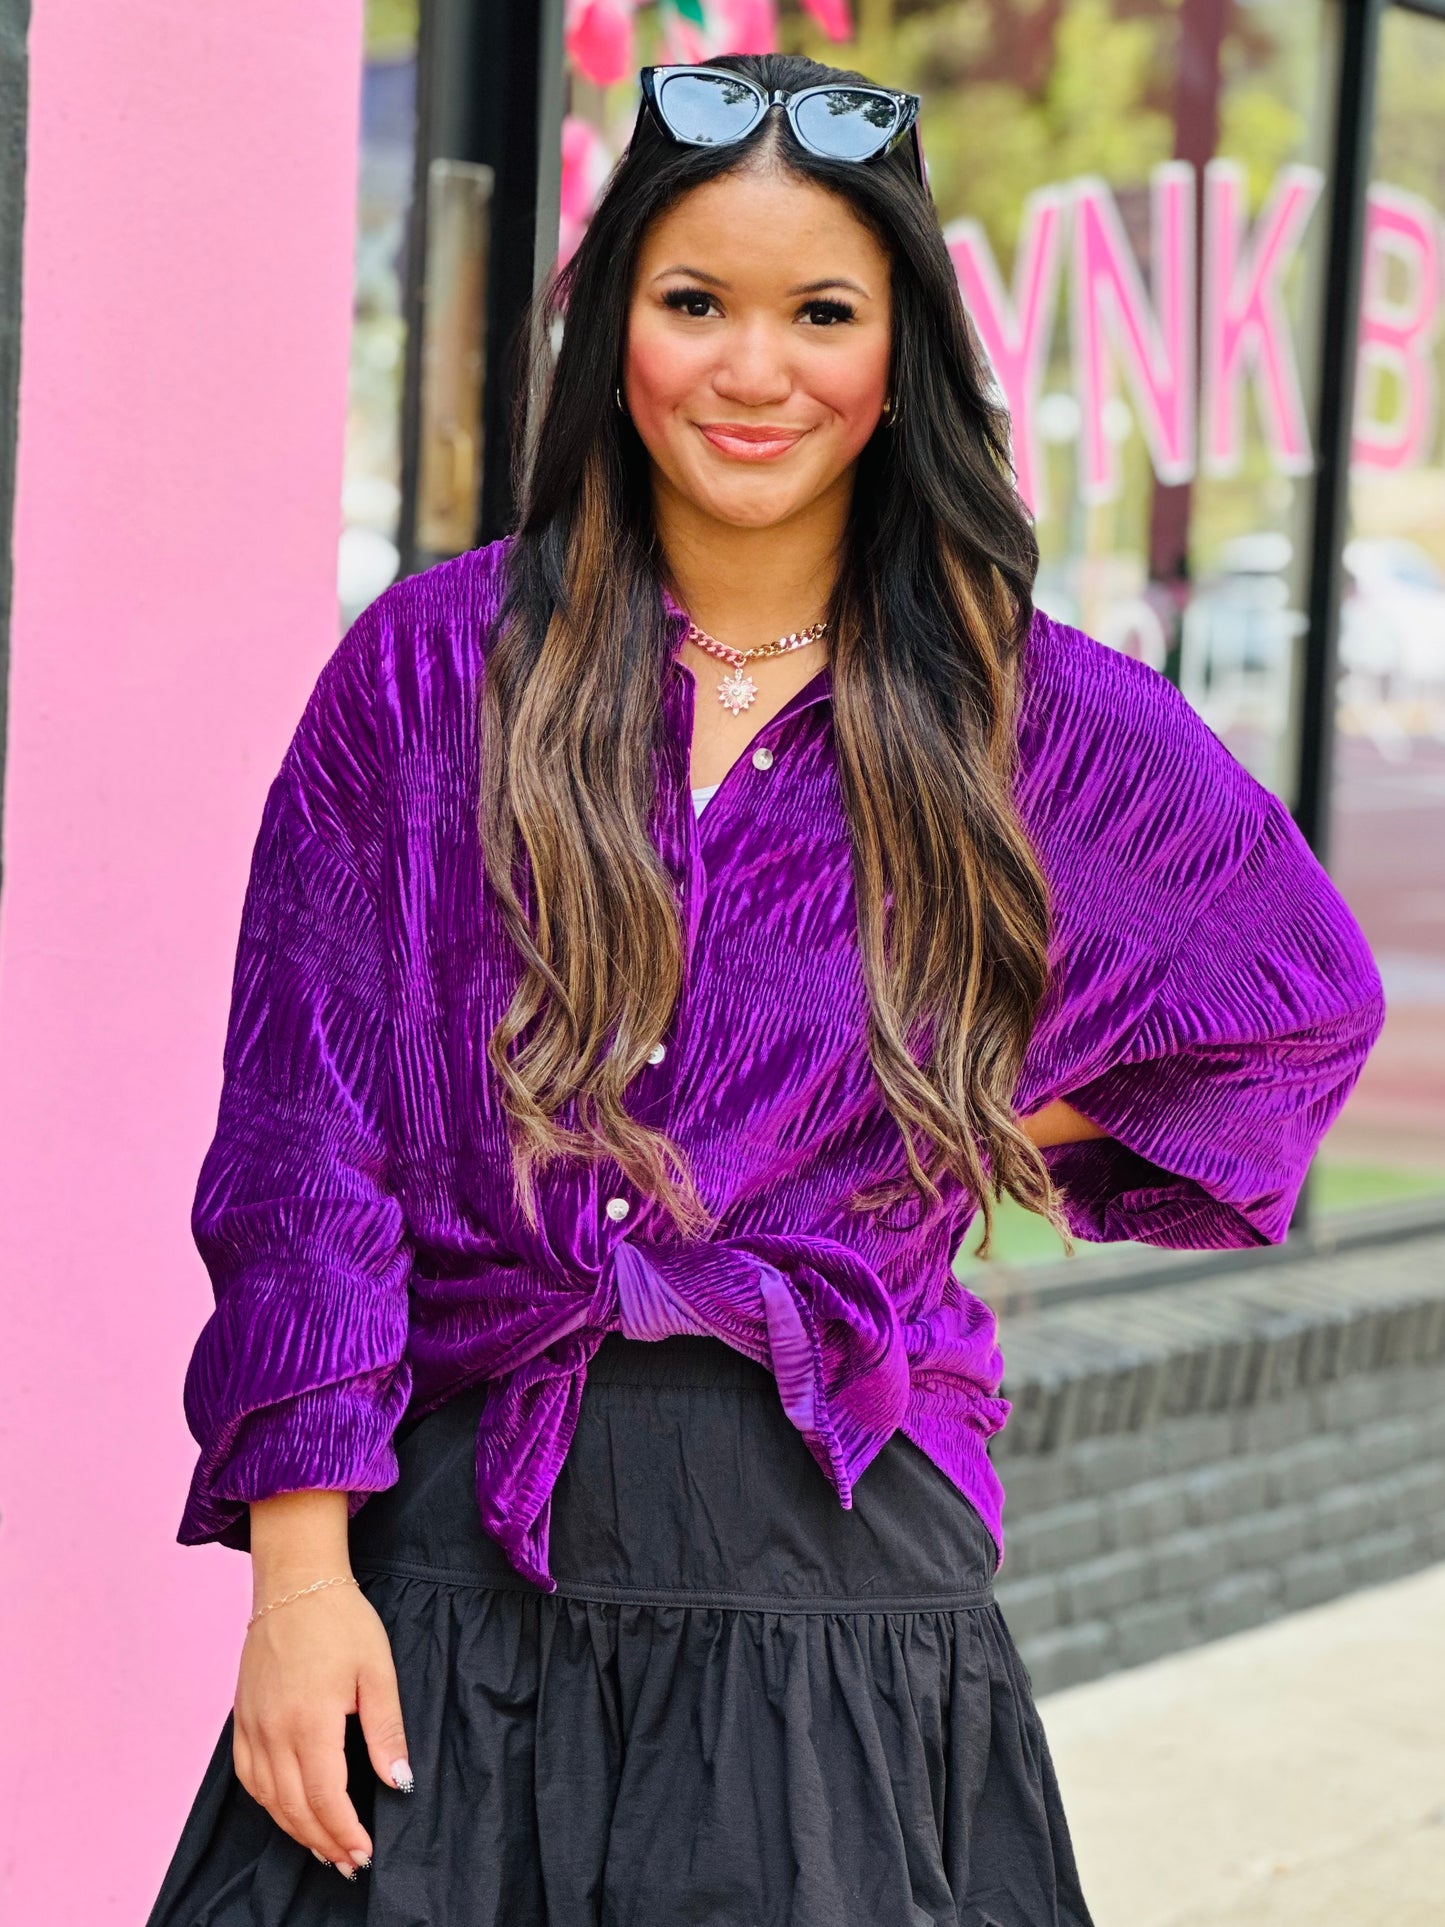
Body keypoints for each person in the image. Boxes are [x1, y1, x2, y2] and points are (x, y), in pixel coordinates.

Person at [146, 49, 1384, 1927]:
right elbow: (304, 1145)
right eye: (693, 302)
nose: (751, 370)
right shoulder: (431, 671)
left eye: (820, 312)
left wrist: (931, 1123)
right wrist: (298, 1585)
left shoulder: (1016, 716)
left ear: (899, 357)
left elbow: (1291, 995)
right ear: (613, 327)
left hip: (835, 1577)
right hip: (449, 1568)